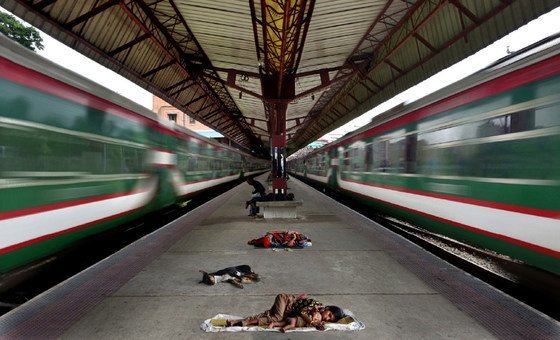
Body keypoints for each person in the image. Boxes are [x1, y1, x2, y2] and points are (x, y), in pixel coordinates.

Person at [226, 293, 344, 330]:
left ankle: (236, 322)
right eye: (329, 315)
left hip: (286, 310)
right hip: (285, 299)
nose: (327, 318)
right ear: (327, 308)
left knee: (267, 316)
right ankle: (246, 322)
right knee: (276, 318)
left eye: (330, 319)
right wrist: (313, 323)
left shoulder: (318, 314)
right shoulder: (317, 306)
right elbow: (303, 313)